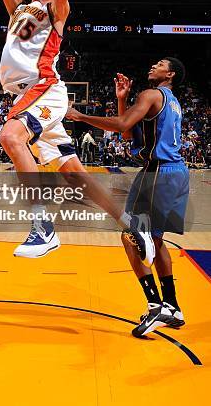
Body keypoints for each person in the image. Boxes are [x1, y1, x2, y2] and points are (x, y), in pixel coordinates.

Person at [0, 0, 154, 264]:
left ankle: (43, 228)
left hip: (44, 87)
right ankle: (131, 224)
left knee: (10, 136)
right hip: (28, 94)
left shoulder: (57, 12)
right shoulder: (19, 9)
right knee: (75, 174)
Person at [66, 58, 189, 337]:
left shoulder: (150, 94)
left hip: (158, 174)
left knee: (130, 236)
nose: (152, 66)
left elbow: (121, 124)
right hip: (172, 173)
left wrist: (80, 116)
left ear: (169, 74)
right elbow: (126, 130)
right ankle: (171, 306)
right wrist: (122, 99)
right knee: (155, 240)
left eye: (159, 64)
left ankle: (156, 304)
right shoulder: (171, 101)